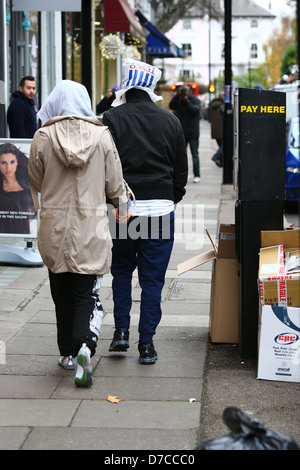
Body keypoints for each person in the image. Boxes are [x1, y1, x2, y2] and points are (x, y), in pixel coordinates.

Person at [28, 80, 131, 387]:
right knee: (85, 292)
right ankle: (86, 345)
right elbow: (114, 180)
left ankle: (68, 353)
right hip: (91, 223)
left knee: (60, 291)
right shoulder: (101, 136)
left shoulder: (43, 136)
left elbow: (35, 178)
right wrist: (122, 207)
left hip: (54, 225)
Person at [103, 58, 188, 364]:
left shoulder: (110, 118)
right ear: (151, 88)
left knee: (122, 271)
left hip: (123, 208)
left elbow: (104, 166)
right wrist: (171, 197)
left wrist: (112, 202)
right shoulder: (170, 121)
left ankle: (121, 332)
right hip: (160, 208)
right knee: (153, 280)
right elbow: (181, 170)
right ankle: (147, 344)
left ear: (126, 87)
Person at [0, 143, 35, 234]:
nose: (8, 167)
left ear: (17, 162)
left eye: (12, 162)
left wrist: (27, 221)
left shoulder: (28, 184)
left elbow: (36, 206)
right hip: (2, 238)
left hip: (23, 237)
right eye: (4, 163)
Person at [169, 85, 201, 182]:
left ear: (189, 91)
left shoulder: (194, 100)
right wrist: (177, 96)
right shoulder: (178, 99)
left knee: (194, 154)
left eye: (185, 90)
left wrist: (186, 100)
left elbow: (195, 110)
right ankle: (180, 176)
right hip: (182, 132)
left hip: (192, 132)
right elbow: (171, 106)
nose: (183, 92)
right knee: (181, 155)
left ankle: (197, 175)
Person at [210, 93, 224, 168]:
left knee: (221, 146)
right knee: (224, 145)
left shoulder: (213, 105)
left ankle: (221, 161)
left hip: (215, 131)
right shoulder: (222, 106)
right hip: (221, 130)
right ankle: (216, 157)